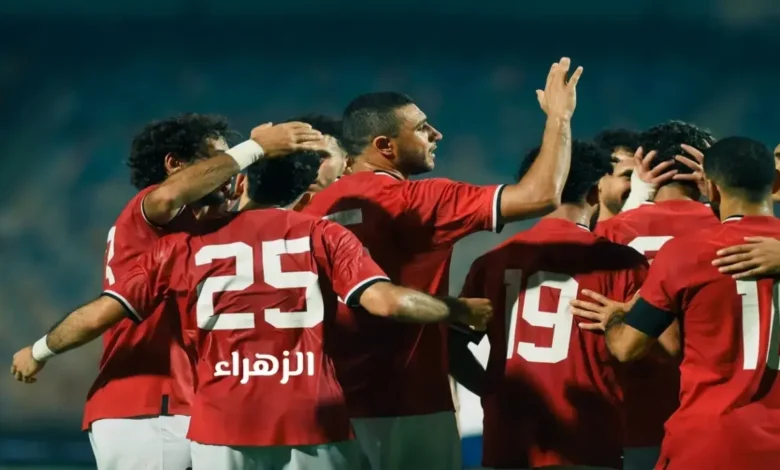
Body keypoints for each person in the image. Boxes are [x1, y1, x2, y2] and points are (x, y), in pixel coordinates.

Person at [11, 147, 493, 470]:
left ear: (239, 184)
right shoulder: (323, 233)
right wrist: (454, 310)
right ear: (305, 194)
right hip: (311, 416)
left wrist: (39, 351)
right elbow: (386, 302)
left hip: (223, 420)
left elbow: (102, 312)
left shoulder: (183, 247)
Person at [303, 57, 583, 470]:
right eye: (421, 128)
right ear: (385, 146)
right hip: (412, 407)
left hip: (325, 409)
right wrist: (559, 117)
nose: (436, 134)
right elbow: (541, 195)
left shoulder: (311, 210)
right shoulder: (420, 200)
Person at [10, 113, 325, 470]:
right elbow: (105, 308)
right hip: (149, 403)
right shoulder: (149, 213)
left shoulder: (198, 228)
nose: (229, 168)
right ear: (175, 164)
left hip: (188, 404)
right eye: (217, 158)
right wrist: (254, 148)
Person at [456, 141, 648, 469]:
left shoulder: (491, 262)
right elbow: (656, 348)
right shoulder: (623, 263)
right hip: (589, 437)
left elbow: (452, 344)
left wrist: (490, 389)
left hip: (508, 438)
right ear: (595, 191)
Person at [598, 136, 780, 470]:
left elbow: (626, 348)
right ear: (775, 184)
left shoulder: (688, 251)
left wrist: (615, 316)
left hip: (709, 442)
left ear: (712, 187)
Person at [591, 120, 717, 470]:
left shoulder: (607, 233)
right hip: (714, 412)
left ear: (642, 165)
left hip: (628, 413)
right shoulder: (730, 231)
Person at [592, 128, 640, 223]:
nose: (642, 186)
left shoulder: (661, 231)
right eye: (630, 176)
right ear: (599, 181)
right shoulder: (573, 232)